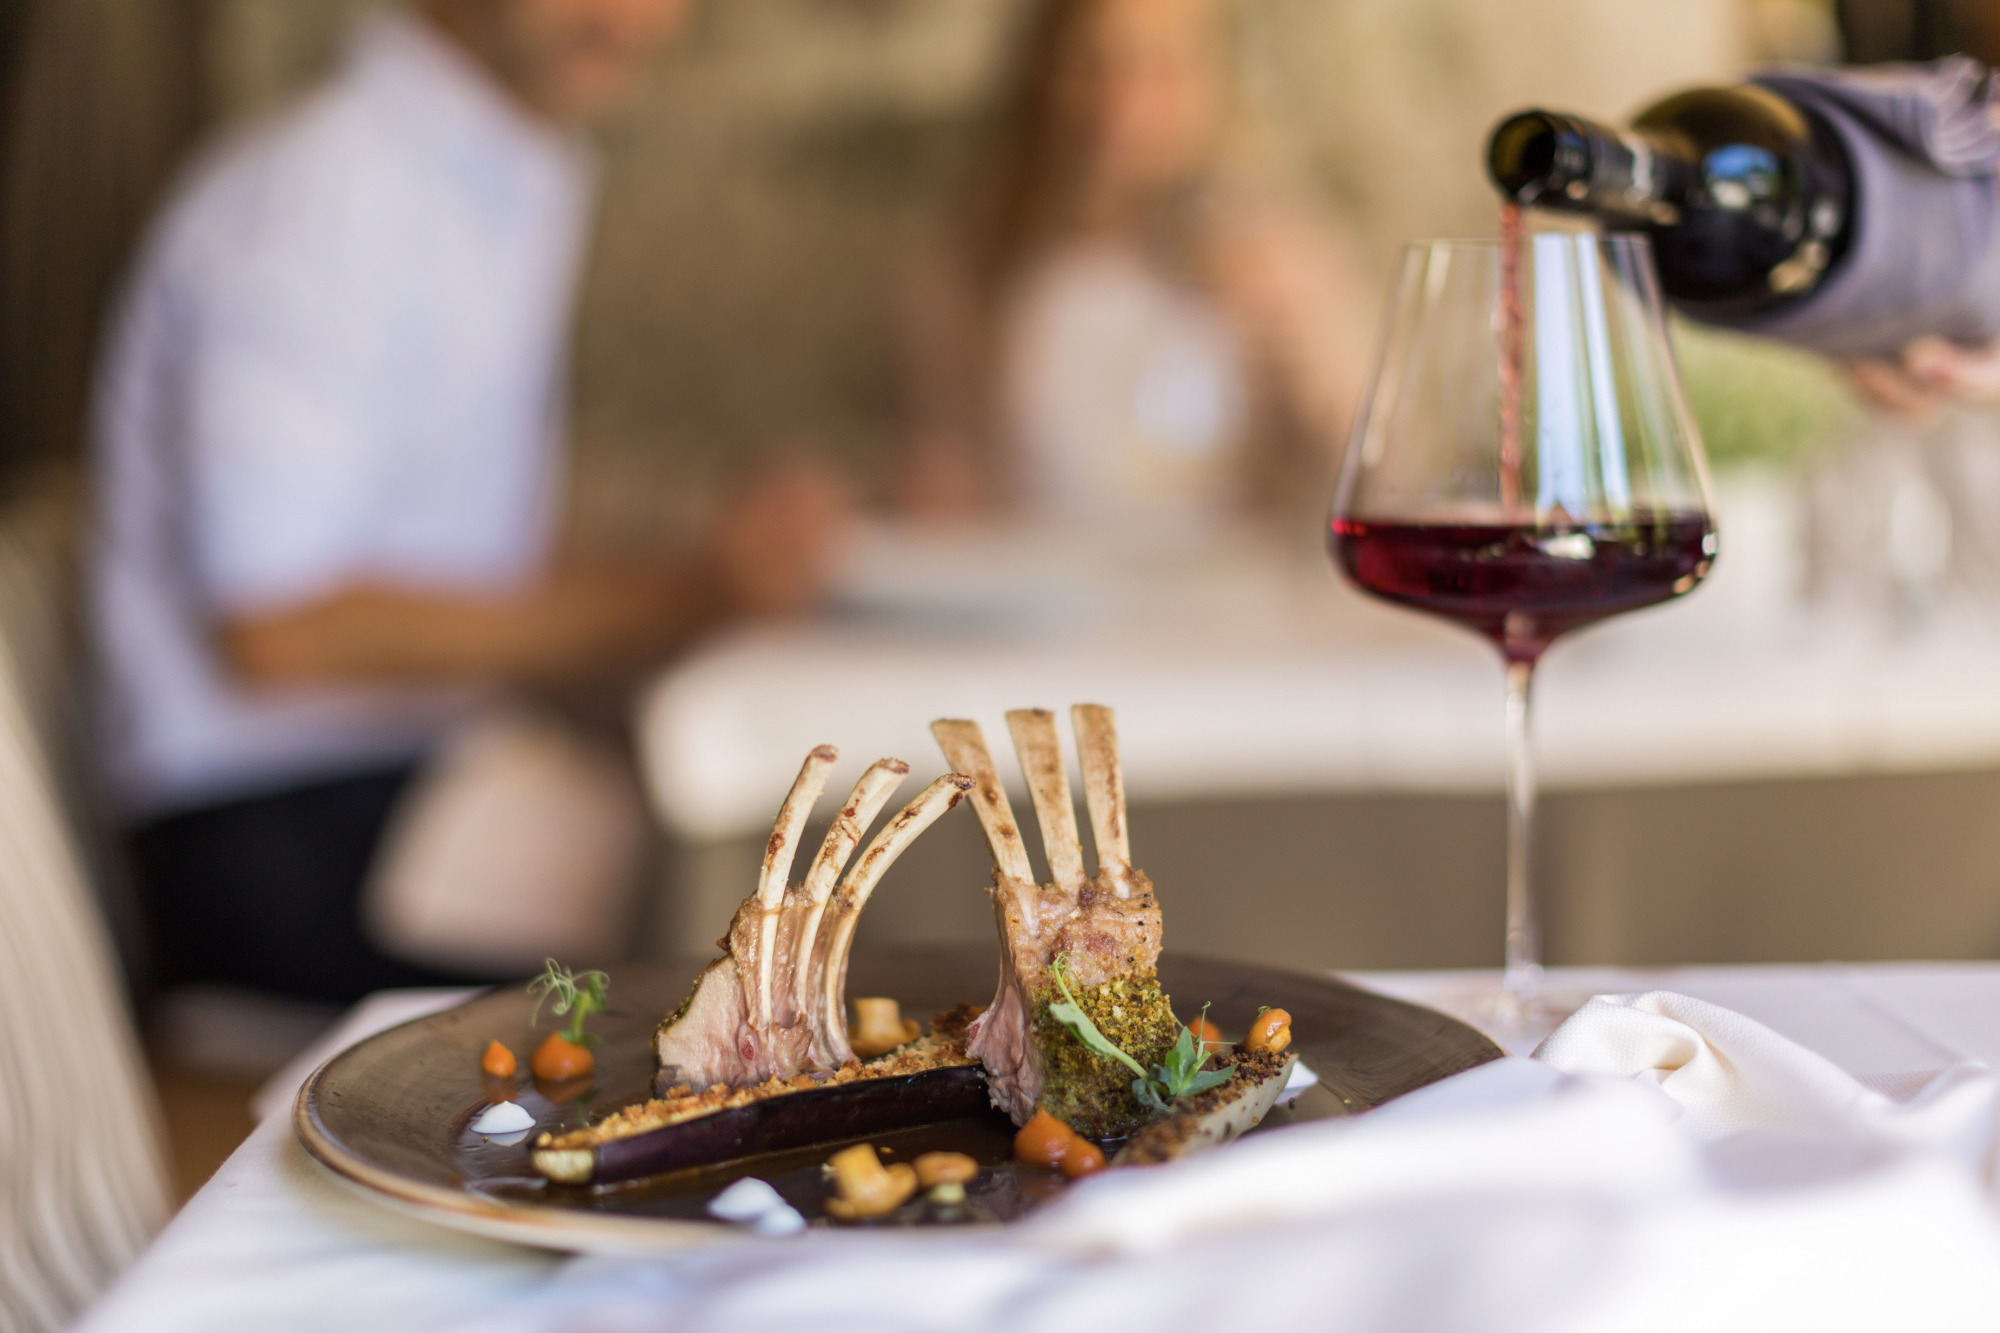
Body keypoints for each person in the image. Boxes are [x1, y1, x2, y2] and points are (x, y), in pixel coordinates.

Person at [88, 0, 845, 1005]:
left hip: (397, 785)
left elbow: (476, 547)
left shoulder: (498, 168)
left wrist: (702, 574)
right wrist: (683, 595)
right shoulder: (324, 198)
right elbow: (278, 628)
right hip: (278, 834)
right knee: (711, 963)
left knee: (739, 897)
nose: (633, 16)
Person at [899, 0, 1368, 528]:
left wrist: (1308, 348)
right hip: (1037, 570)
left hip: (1225, 573)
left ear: (1214, 80)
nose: (1124, 100)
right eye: (1093, 66)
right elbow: (949, 471)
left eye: (1162, 68)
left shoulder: (1278, 259)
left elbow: (1382, 470)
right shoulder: (975, 273)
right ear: (1042, 78)